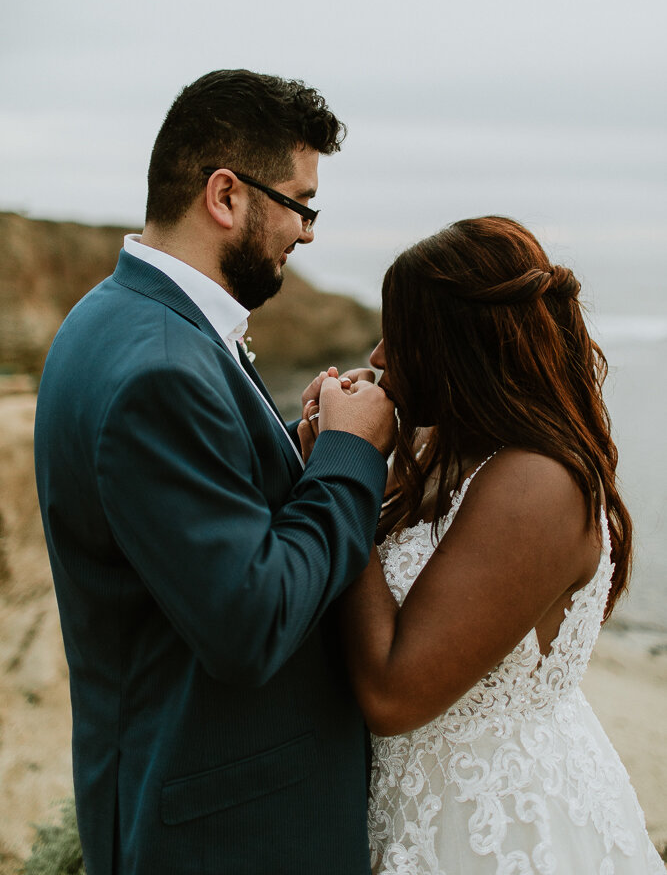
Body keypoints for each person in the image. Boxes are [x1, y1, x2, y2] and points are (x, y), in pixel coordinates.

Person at [33, 69, 395, 875]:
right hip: (222, 835)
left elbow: (200, 543)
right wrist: (350, 457)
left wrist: (296, 464)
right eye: (301, 204)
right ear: (226, 196)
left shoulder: (115, 320)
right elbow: (249, 621)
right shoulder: (159, 367)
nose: (307, 234)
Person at [301, 216, 663, 873]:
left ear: (460, 347)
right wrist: (328, 462)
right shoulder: (438, 453)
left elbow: (393, 696)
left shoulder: (536, 483)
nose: (379, 357)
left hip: (497, 828)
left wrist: (344, 467)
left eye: (401, 336)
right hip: (413, 812)